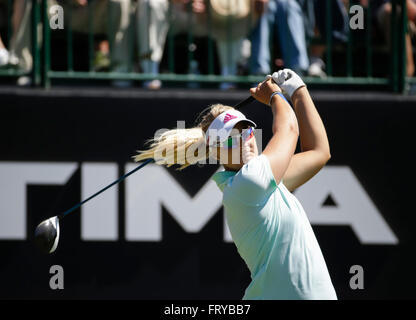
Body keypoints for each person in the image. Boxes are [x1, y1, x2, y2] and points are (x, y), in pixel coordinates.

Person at [134, 69, 337, 299]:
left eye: (246, 131)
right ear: (217, 153)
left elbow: (319, 152)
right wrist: (274, 96)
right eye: (230, 139)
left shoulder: (266, 182)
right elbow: (289, 129)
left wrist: (299, 91)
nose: (244, 141)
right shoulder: (249, 183)